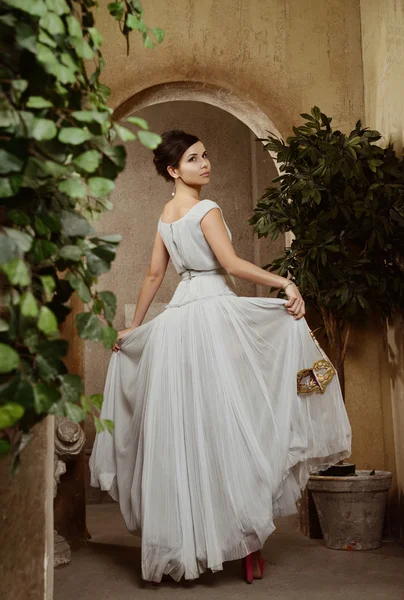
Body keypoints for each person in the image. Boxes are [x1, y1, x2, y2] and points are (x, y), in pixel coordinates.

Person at [89, 130, 352, 585]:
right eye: (193, 159)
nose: (205, 163)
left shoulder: (166, 217)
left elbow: (155, 274)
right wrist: (284, 284)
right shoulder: (207, 209)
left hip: (178, 324)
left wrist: (139, 324)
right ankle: (246, 545)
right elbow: (230, 265)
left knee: (189, 433)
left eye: (205, 155)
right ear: (174, 171)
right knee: (234, 426)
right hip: (213, 318)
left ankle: (190, 546)